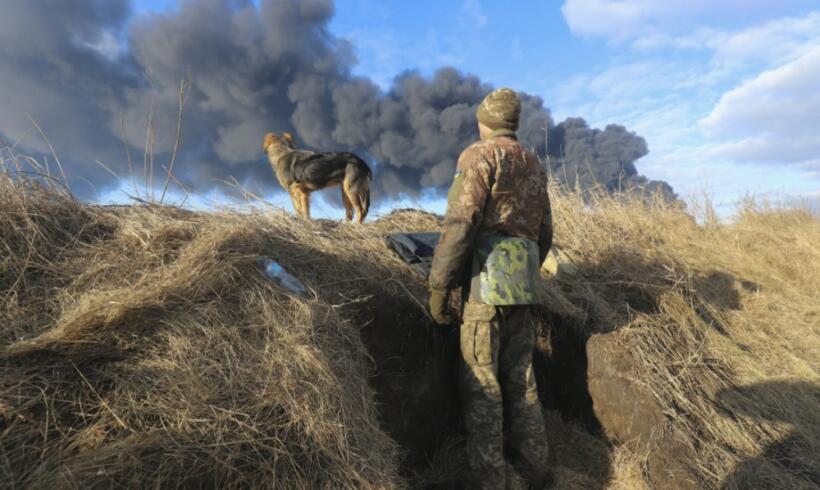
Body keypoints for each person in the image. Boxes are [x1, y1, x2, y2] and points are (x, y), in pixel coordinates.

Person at [428, 88, 553, 489]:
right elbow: (544, 233)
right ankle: (536, 468)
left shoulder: (479, 156)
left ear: (485, 121)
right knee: (521, 377)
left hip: (485, 289)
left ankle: (490, 480)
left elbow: (461, 223)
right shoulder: (534, 163)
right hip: (525, 284)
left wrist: (439, 285)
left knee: (482, 382)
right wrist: (526, 268)